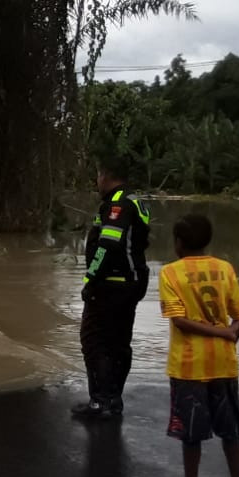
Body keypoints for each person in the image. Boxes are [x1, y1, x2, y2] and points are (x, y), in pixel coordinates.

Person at [158, 214, 239, 477]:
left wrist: (224, 331)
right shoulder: (224, 269)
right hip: (224, 364)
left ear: (178, 243)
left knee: (191, 436)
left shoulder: (171, 273)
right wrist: (229, 335)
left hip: (189, 368)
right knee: (230, 432)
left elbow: (181, 321)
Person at [73, 157, 152, 419]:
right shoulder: (135, 201)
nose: (97, 182)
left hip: (111, 285)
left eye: (98, 175)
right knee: (119, 343)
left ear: (106, 175)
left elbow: (109, 246)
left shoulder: (117, 204)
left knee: (94, 341)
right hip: (132, 282)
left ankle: (101, 401)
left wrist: (90, 279)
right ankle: (113, 400)